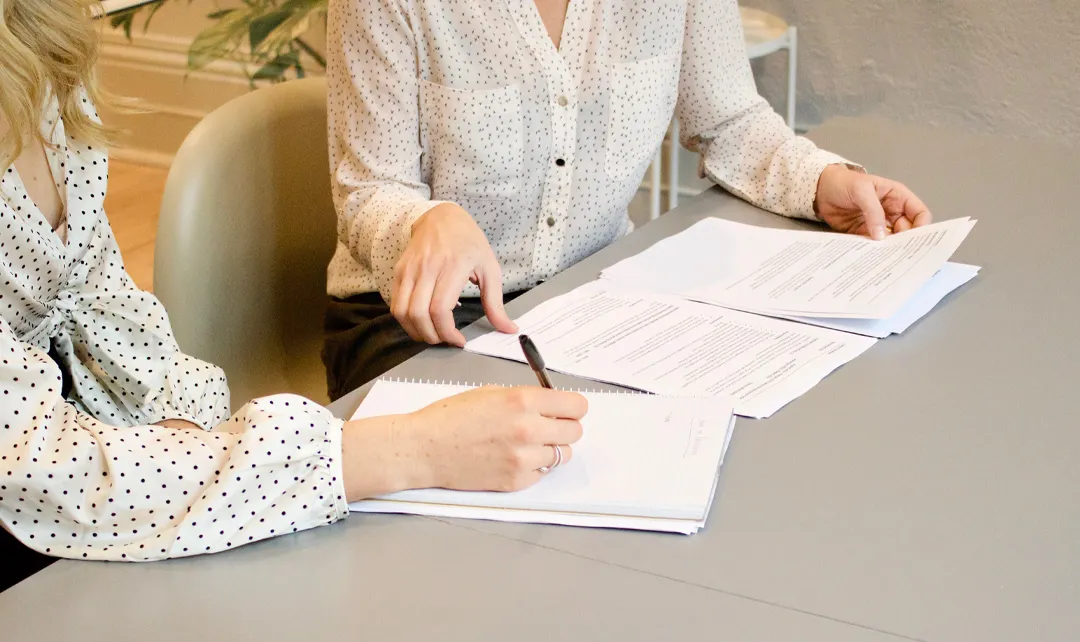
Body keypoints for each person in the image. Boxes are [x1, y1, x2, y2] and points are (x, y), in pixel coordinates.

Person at [0, 0, 587, 586]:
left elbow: (109, 313)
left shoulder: (41, 53)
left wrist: (183, 431)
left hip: (111, 477)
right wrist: (415, 449)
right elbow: (45, 471)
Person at [323, 0, 933, 399]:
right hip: (417, 321)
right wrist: (426, 221)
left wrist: (822, 181)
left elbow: (728, 119)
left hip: (590, 300)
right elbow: (368, 190)